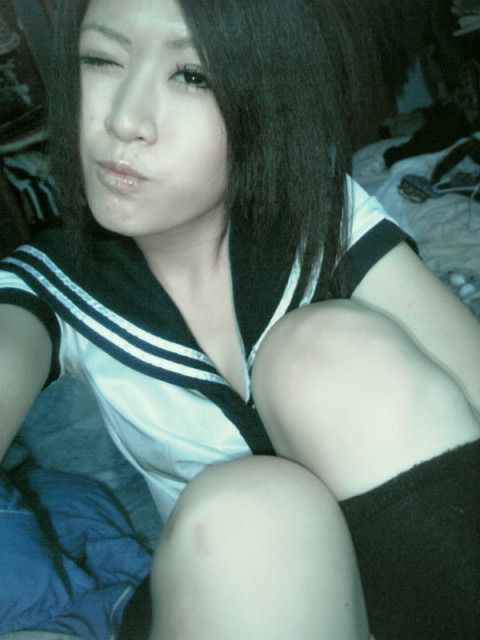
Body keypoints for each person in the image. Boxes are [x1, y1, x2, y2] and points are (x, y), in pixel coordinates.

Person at [0, 0, 479, 638]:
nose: (124, 120)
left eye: (192, 75)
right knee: (254, 507)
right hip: (238, 596)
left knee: (327, 351)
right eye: (102, 59)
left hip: (430, 583)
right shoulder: (49, 281)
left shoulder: (318, 214)